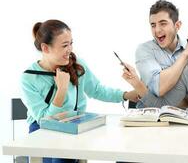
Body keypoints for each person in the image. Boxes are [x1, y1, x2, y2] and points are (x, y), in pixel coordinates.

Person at [21, 19, 140, 163]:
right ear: (45, 48)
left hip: (73, 125)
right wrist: (62, 90)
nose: (70, 50)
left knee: (62, 159)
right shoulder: (29, 78)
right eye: (65, 45)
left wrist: (125, 95)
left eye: (71, 43)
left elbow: (97, 90)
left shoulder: (77, 65)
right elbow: (44, 120)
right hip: (41, 129)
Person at [130, 0, 188, 108]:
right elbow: (159, 87)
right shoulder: (145, 50)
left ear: (177, 25)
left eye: (163, 23)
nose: (157, 30)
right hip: (147, 118)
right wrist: (185, 56)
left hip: (180, 118)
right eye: (153, 25)